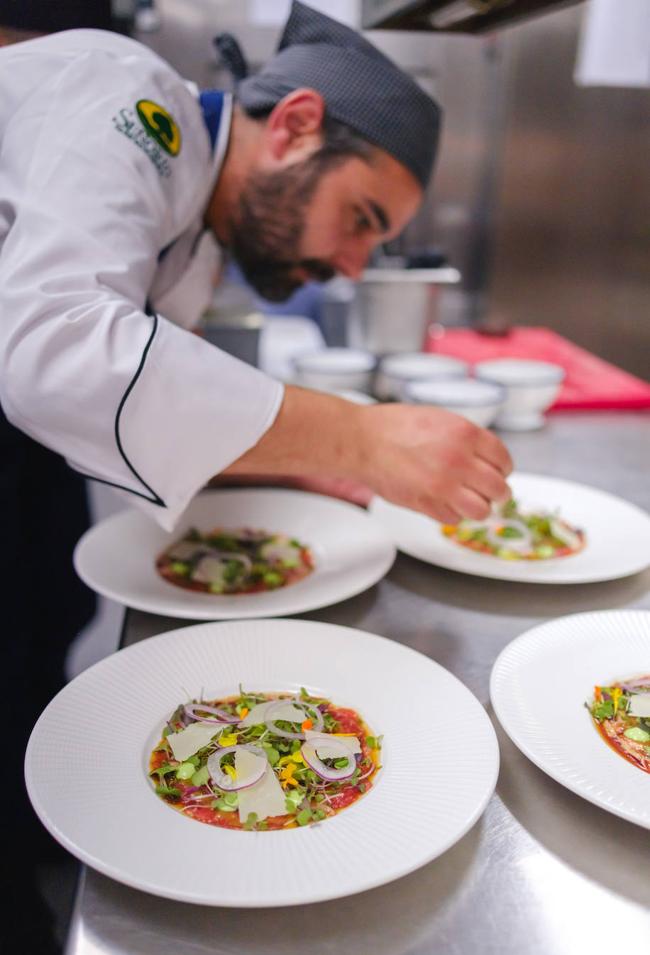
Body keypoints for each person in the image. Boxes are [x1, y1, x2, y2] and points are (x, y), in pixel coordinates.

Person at [0, 3, 512, 950]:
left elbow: (144, 389)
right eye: (360, 219)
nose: (352, 266)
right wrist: (357, 439)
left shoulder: (197, 226)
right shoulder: (130, 97)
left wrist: (294, 458)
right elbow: (60, 351)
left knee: (34, 634)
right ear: (294, 124)